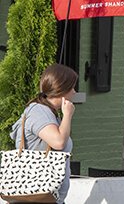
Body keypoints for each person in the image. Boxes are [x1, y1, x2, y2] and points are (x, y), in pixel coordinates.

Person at [10, 64, 77, 204]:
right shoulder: (39, 112)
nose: (74, 92)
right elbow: (59, 142)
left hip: (47, 197)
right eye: (71, 87)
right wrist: (68, 115)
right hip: (35, 198)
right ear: (61, 89)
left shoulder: (50, 113)